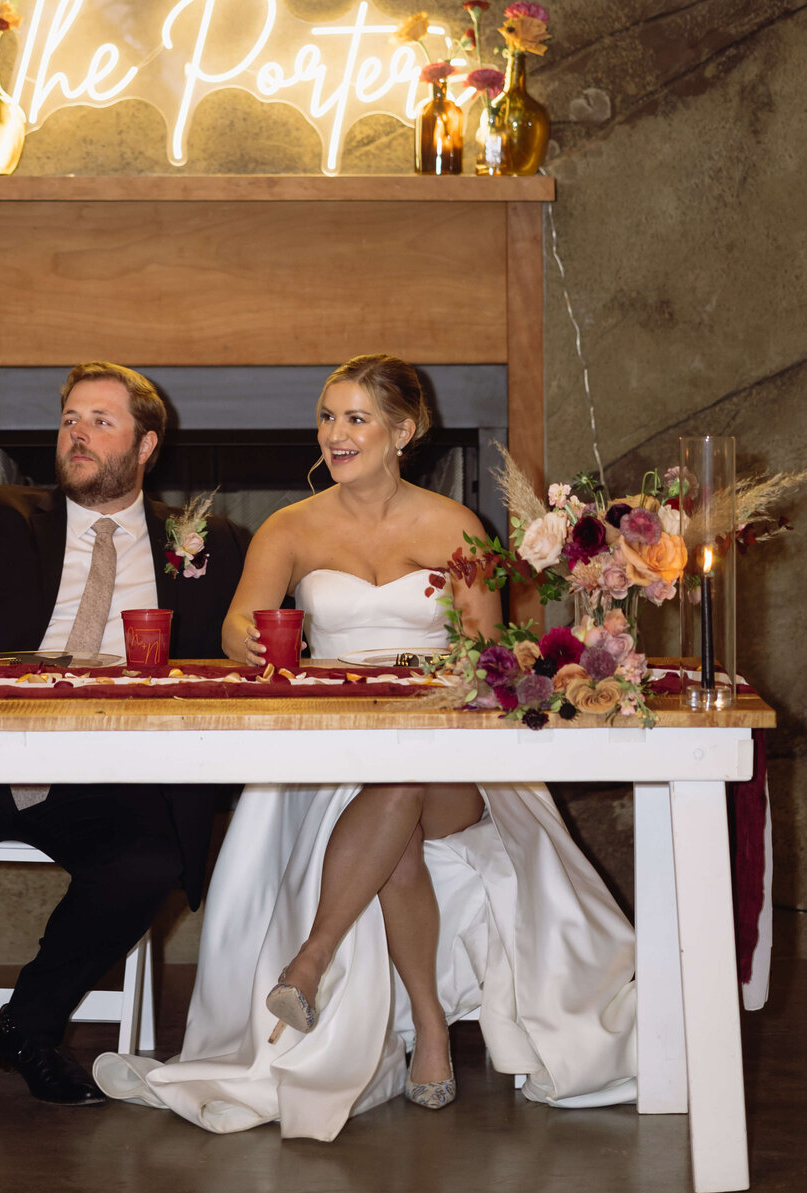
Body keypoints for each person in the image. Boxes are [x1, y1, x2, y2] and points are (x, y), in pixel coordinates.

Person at [94, 353, 637, 1140]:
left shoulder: (456, 527)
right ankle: (432, 1032)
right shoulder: (291, 526)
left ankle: (310, 963)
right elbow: (238, 623)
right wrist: (248, 639)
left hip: (452, 752)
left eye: (356, 418)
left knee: (408, 771)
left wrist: (448, 683)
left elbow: (490, 650)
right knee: (396, 803)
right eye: (327, 416)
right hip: (337, 746)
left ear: (403, 430)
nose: (336, 434)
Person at [0, 361, 246, 1112]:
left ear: (147, 444)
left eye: (101, 421)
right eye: (70, 420)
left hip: (110, 773)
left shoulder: (209, 542)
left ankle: (29, 1027)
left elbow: (239, 649)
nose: (79, 434)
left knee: (150, 857)